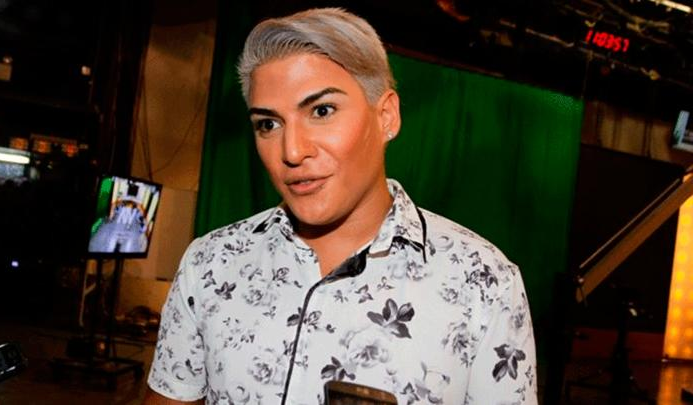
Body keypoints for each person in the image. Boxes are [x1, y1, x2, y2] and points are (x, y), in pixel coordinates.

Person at [143, 7, 537, 405]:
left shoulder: (483, 283)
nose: (292, 151)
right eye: (268, 124)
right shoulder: (210, 264)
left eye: (322, 111)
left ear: (386, 116)